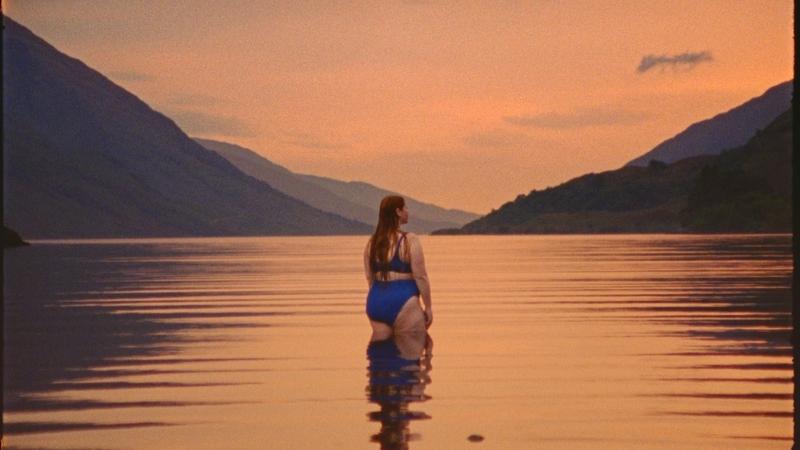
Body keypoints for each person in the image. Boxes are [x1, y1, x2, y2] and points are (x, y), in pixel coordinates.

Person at [364, 196, 432, 340]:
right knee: (414, 347)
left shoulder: (372, 243)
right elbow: (421, 276)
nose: (408, 211)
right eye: (406, 208)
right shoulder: (409, 240)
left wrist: (381, 299)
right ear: (398, 212)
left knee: (379, 359)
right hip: (404, 301)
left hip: (376, 302)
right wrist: (428, 307)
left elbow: (370, 278)